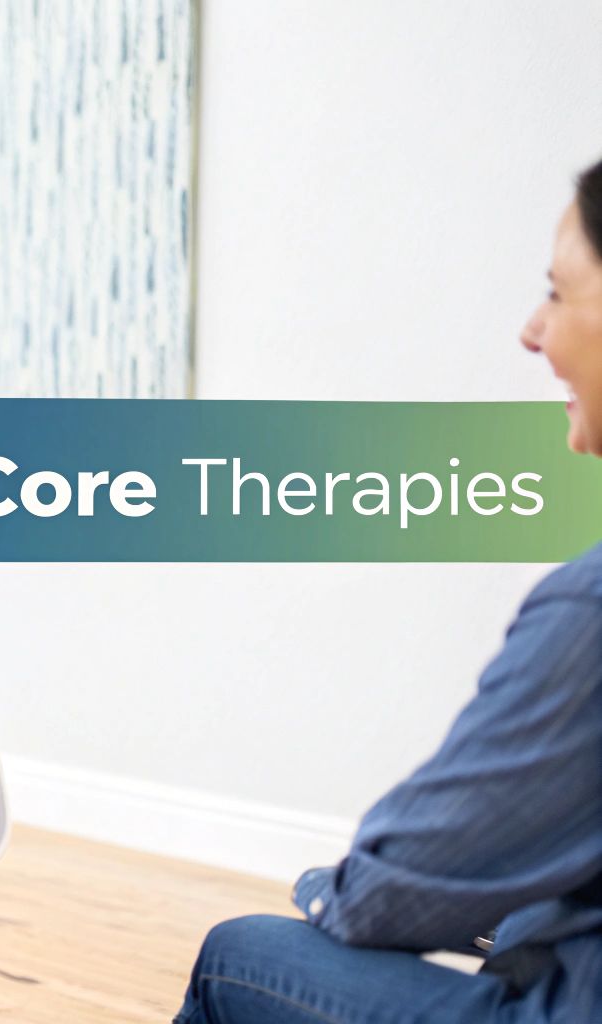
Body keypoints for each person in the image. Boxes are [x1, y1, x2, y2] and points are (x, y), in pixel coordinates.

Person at [178, 157, 602, 1023]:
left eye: (558, 293)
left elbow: (396, 889)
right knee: (520, 919)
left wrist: (332, 890)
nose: (532, 332)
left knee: (240, 955)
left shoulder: (588, 609)